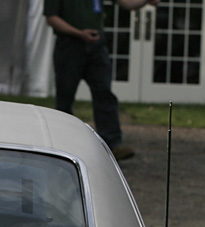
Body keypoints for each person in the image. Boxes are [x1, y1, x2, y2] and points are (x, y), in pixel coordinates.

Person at [44, 0, 158, 162]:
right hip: (69, 46)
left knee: (104, 93)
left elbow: (127, 3)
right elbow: (51, 19)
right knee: (65, 98)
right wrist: (79, 33)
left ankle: (113, 145)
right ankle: (62, 145)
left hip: (97, 47)